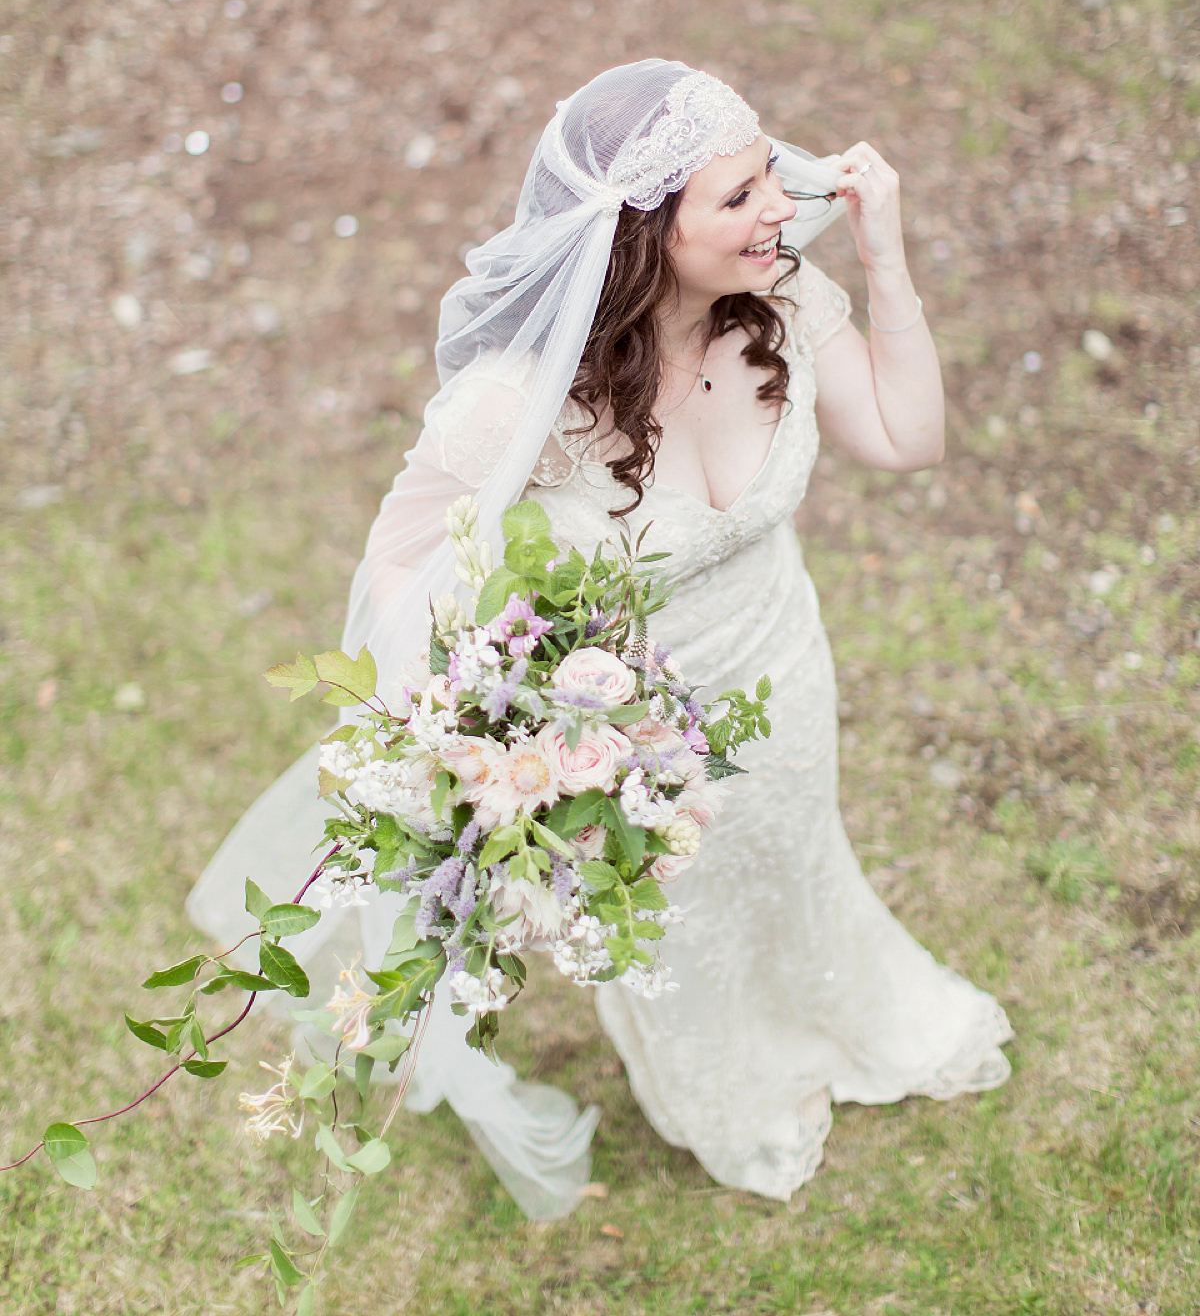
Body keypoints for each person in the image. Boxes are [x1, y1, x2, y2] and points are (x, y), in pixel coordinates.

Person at [188, 59, 1011, 1216]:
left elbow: (908, 436)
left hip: (781, 665)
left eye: (770, 173)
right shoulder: (528, 396)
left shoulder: (779, 299)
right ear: (646, 235)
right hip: (638, 739)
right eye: (736, 196)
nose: (778, 207)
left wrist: (883, 257)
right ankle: (725, 1085)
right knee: (688, 919)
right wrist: (469, 702)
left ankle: (844, 1004)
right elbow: (405, 542)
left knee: (796, 859)